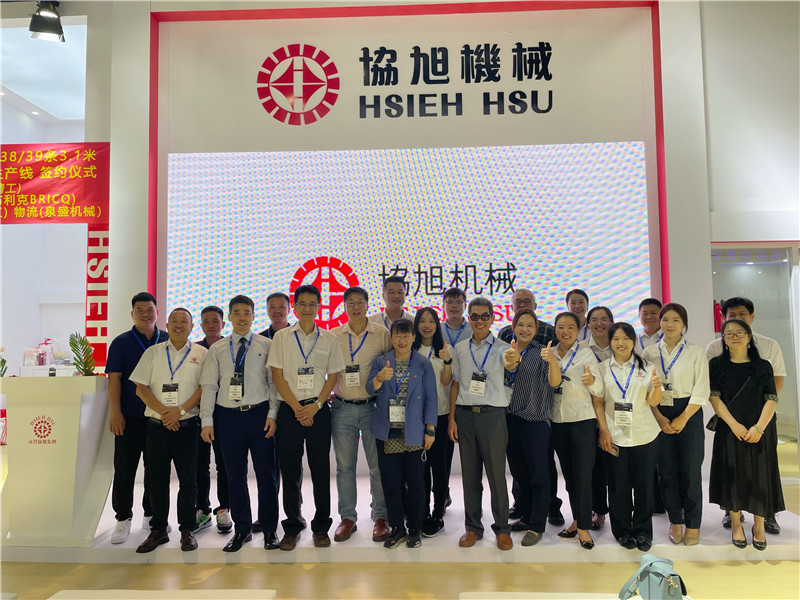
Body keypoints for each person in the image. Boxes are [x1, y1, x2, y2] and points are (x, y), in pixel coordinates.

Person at [199, 295, 280, 552]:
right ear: (230, 317)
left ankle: (269, 529)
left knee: (267, 475)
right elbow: (209, 386)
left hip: (260, 416)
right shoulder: (218, 349)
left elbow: (274, 383)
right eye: (237, 313)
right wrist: (207, 421)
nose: (242, 317)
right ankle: (242, 530)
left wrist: (273, 414)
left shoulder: (267, 345)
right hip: (228, 418)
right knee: (234, 476)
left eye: (247, 312)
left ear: (254, 316)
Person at [269, 284, 345, 550]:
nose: (307, 308)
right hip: (289, 410)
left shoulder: (329, 339)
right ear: (295, 306)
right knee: (289, 470)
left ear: (319, 307)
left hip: (318, 411)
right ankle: (292, 526)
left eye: (313, 304)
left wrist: (316, 405)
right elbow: (277, 375)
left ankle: (321, 526)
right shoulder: (282, 337)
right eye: (302, 303)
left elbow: (333, 375)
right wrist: (297, 408)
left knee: (321, 470)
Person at [705, 297, 786, 535]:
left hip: (761, 418)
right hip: (730, 420)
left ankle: (766, 515)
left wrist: (759, 422)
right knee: (732, 468)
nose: (735, 333)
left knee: (762, 468)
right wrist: (733, 422)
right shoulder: (714, 352)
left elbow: (775, 387)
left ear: (751, 319)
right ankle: (734, 513)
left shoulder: (768, 349)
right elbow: (713, 393)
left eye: (742, 315)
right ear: (723, 321)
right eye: (731, 317)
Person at [130, 308, 206, 553]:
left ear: (192, 327)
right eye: (174, 320)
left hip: (187, 428)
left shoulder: (201, 354)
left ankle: (187, 530)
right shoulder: (153, 353)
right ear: (166, 325)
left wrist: (180, 412)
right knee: (157, 480)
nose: (178, 324)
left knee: (189, 481)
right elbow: (140, 388)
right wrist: (165, 412)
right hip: (157, 427)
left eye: (184, 321)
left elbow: (204, 388)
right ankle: (159, 529)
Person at [586, 322, 662, 552]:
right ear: (610, 342)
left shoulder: (647, 367)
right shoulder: (601, 368)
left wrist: (656, 387)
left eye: (626, 338)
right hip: (614, 436)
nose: (621, 343)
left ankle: (643, 532)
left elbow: (653, 401)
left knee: (644, 487)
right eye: (616, 339)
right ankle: (622, 531)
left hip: (644, 434)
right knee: (618, 487)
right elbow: (598, 402)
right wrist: (603, 431)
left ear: (633, 341)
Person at [448, 297, 515, 550]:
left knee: (497, 475)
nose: (479, 321)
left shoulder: (503, 348)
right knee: (470, 476)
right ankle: (473, 528)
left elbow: (510, 363)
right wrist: (452, 418)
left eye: (484, 316)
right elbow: (455, 384)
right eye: (474, 316)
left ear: (492, 318)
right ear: (469, 319)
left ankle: (502, 528)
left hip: (493, 416)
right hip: (465, 416)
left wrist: (513, 359)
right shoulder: (460, 348)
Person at [367, 319, 438, 549]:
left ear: (413, 338)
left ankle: (415, 528)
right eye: (398, 335)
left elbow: (431, 399)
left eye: (406, 335)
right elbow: (369, 388)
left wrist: (430, 429)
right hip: (388, 431)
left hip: (414, 431)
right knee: (391, 483)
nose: (402, 340)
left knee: (416, 483)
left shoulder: (423, 364)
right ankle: (397, 528)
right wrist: (379, 378)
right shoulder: (381, 362)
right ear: (391, 338)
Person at [642, 303, 709, 545]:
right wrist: (659, 417)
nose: (669, 324)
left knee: (690, 471)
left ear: (684, 324)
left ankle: (693, 522)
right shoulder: (649, 353)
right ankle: (675, 520)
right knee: (666, 471)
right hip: (658, 411)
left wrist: (683, 417)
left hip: (689, 411)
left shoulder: (695, 352)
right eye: (665, 319)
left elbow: (702, 389)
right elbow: (644, 390)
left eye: (676, 320)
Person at [330, 286, 391, 543]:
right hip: (342, 408)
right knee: (345, 467)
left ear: (368, 304)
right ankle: (347, 518)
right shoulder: (334, 335)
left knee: (377, 466)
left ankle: (381, 516)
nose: (355, 307)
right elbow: (328, 369)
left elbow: (390, 368)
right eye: (350, 303)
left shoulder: (381, 334)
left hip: (372, 407)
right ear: (344, 306)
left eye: (360, 302)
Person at [106, 292, 167, 544]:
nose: (145, 314)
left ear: (157, 312)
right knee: (124, 469)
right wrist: (116, 412)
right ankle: (123, 518)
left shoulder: (167, 339)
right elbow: (114, 380)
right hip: (129, 417)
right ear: (132, 314)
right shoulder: (121, 342)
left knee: (155, 469)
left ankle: (151, 514)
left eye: (149, 309)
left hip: (158, 417)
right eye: (139, 310)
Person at [498, 288, 562, 526]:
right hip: (511, 419)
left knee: (539, 474)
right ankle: (525, 516)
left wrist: (552, 361)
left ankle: (538, 523)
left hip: (536, 421)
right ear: (513, 327)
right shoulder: (505, 349)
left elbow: (554, 383)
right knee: (519, 473)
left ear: (536, 329)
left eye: (530, 326)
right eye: (520, 325)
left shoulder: (542, 352)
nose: (524, 329)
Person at [550, 312, 598, 550]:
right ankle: (577, 519)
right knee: (569, 476)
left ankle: (584, 527)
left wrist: (592, 381)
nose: (565, 331)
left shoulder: (586, 353)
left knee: (583, 475)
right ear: (555, 329)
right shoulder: (549, 352)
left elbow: (599, 389)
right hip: (557, 421)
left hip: (583, 421)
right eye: (561, 326)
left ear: (579, 330)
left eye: (571, 327)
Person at [412, 307, 453, 537]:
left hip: (440, 415)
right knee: (420, 469)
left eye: (431, 321)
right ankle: (423, 512)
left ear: (437, 325)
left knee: (439, 467)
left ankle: (438, 513)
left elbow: (446, 382)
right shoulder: (411, 349)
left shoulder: (445, 349)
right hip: (415, 417)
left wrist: (447, 361)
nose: (427, 325)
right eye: (422, 321)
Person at [194, 305, 231, 534]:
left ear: (223, 324)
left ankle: (224, 508)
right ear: (200, 325)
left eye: (215, 321)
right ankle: (202, 509)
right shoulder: (195, 350)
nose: (210, 325)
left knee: (224, 464)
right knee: (200, 464)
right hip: (198, 414)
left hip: (224, 413)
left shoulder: (229, 348)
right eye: (206, 321)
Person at [578, 305, 614, 530]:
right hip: (589, 414)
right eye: (594, 320)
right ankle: (599, 510)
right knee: (595, 468)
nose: (598, 324)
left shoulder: (620, 345)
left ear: (611, 322)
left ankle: (621, 511)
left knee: (617, 467)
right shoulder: (581, 348)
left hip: (617, 413)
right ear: (588, 323)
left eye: (603, 319)